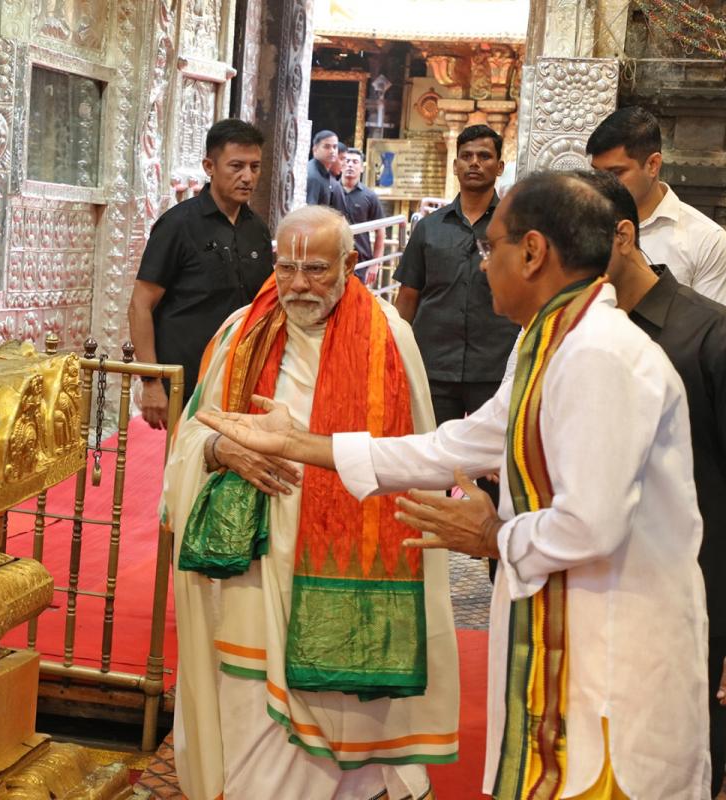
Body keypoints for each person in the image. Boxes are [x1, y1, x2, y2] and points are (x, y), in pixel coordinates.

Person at [199, 171, 710, 798]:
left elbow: (590, 525)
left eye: (488, 247)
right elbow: (454, 446)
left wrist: (492, 535)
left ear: (532, 252)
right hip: (563, 637)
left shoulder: (598, 353)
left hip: (610, 650)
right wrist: (298, 444)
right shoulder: (549, 341)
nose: (480, 262)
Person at [165, 205, 459, 800]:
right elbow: (191, 434)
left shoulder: (391, 338)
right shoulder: (239, 332)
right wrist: (223, 449)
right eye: (287, 267)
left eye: (316, 270)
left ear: (351, 265)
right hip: (254, 564)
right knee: (251, 705)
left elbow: (419, 457)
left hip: (353, 564)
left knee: (347, 710)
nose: (298, 284)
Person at [576, 169, 726, 797]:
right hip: (597, 590)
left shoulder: (708, 336)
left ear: (623, 237)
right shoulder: (572, 333)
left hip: (698, 582)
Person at [128, 118, 273, 429]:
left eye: (255, 167)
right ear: (209, 166)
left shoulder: (257, 229)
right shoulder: (178, 225)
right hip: (187, 379)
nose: (247, 176)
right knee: (185, 471)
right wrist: (152, 382)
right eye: (236, 166)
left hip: (241, 376)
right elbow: (141, 304)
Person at [394, 124, 519, 427]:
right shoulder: (429, 227)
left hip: (494, 367)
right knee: (429, 460)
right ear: (455, 165)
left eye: (484, 156)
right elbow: (408, 297)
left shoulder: (515, 228)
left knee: (490, 467)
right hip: (433, 364)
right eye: (466, 156)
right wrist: (395, 354)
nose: (474, 163)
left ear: (499, 166)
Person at [586, 106, 726, 303]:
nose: (603, 183)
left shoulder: (706, 240)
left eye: (616, 173)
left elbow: (710, 328)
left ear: (653, 165)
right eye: (597, 173)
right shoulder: (582, 223)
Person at [339, 147, 386, 280]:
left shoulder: (369, 196)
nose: (350, 165)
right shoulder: (331, 191)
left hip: (360, 262)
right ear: (341, 164)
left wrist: (374, 264)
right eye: (347, 161)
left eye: (355, 162)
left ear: (362, 168)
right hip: (334, 258)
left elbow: (380, 231)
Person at [305, 130, 347, 212]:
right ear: (315, 150)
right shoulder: (313, 176)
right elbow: (309, 214)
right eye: (327, 147)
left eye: (335, 147)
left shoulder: (325, 174)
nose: (332, 151)